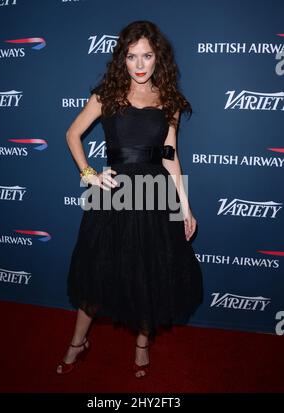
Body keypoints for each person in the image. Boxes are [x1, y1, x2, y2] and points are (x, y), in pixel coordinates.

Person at [56, 20, 203, 378]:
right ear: (122, 59)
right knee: (96, 273)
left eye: (147, 56)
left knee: (147, 276)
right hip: (114, 198)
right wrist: (89, 173)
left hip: (155, 197)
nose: (139, 64)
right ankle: (78, 341)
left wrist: (185, 205)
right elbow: (72, 134)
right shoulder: (105, 95)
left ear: (158, 59)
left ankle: (141, 344)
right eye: (132, 56)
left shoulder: (168, 101)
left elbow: (170, 156)